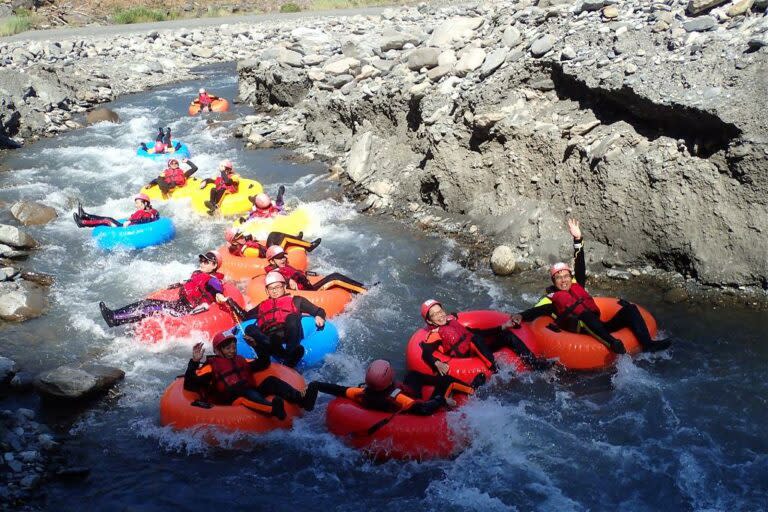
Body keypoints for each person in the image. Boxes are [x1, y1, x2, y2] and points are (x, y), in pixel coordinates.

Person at [506, 219, 671, 354]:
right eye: (558, 278)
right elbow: (534, 312)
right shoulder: (550, 300)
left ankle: (648, 345)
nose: (563, 280)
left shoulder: (577, 284)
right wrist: (520, 315)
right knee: (585, 316)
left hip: (598, 326)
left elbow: (580, 263)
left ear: (570, 278)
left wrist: (577, 240)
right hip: (580, 330)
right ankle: (613, 343)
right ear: (553, 281)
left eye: (566, 276)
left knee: (630, 309)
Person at [183, 332, 317, 419]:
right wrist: (194, 361)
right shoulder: (211, 366)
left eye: (233, 347)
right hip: (231, 398)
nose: (232, 350)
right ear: (218, 351)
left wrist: (256, 346)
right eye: (227, 348)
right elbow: (190, 384)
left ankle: (301, 399)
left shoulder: (242, 360)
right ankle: (272, 408)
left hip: (250, 391)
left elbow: (264, 363)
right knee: (243, 392)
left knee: (271, 381)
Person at [419, 300, 555, 377]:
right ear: (430, 321)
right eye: (435, 314)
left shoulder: (452, 322)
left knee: (506, 335)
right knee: (476, 339)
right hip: (466, 358)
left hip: (480, 348)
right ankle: (498, 371)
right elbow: (426, 352)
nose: (440, 315)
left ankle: (535, 364)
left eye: (440, 311)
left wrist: (503, 326)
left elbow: (475, 332)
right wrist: (437, 363)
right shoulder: (435, 334)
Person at [99, 251, 232, 327]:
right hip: (179, 305)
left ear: (214, 265)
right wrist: (172, 286)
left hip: (187, 311)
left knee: (150, 308)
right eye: (201, 260)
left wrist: (219, 296)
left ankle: (114, 319)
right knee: (147, 302)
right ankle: (115, 315)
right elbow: (188, 282)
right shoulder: (199, 274)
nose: (202, 263)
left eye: (206, 261)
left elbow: (216, 291)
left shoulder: (213, 281)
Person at [312, 359, 482, 416]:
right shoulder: (398, 398)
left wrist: (317, 385)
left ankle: (433, 382)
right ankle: (472, 389)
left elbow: (338, 389)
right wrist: (441, 400)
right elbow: (424, 409)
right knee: (446, 382)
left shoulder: (361, 393)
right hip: (414, 403)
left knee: (412, 376)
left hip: (386, 400)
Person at [233, 271, 327, 368]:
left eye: (277, 287)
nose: (274, 291)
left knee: (293, 317)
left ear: (284, 287)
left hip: (289, 333)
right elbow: (245, 316)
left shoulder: (296, 300)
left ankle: (290, 352)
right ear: (267, 291)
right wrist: (229, 302)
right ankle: (284, 356)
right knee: (249, 328)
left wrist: (319, 316)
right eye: (271, 288)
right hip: (269, 338)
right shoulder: (262, 305)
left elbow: (319, 310)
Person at [263, 245, 365, 294]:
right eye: (279, 257)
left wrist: (311, 274)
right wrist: (289, 280)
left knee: (334, 275)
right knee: (335, 277)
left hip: (308, 287)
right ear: (272, 261)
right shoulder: (275, 273)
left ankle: (359, 287)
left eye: (283, 256)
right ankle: (364, 291)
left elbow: (298, 273)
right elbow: (279, 279)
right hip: (308, 293)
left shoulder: (284, 267)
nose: (283, 259)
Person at [73, 194, 159, 228]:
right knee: (109, 218)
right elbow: (156, 216)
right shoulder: (151, 210)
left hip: (125, 229)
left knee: (107, 221)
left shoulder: (145, 213)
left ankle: (83, 223)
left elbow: (145, 220)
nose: (136, 205)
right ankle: (85, 215)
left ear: (145, 203)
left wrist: (131, 221)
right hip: (127, 226)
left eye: (137, 203)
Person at [225, 229, 320, 258]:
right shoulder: (247, 250)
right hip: (270, 254)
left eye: (242, 235)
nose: (242, 237)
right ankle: (309, 246)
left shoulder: (241, 244)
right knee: (285, 239)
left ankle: (296, 239)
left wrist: (250, 240)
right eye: (240, 237)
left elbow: (253, 240)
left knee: (273, 234)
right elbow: (263, 256)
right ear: (234, 241)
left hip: (265, 250)